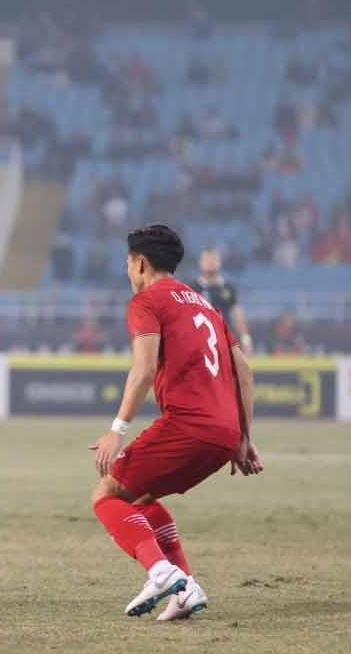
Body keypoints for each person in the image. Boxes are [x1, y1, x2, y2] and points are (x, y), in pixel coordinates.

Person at [87, 225, 262, 621]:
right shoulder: (204, 304)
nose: (128, 271)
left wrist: (117, 429)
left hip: (189, 426)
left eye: (128, 262)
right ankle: (186, 589)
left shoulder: (148, 301)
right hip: (226, 434)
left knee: (106, 495)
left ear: (141, 263)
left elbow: (144, 369)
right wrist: (245, 440)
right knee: (142, 498)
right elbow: (245, 372)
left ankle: (161, 572)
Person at [192, 249, 253, 355]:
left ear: (219, 262)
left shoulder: (228, 288)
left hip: (224, 340)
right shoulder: (192, 288)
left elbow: (237, 313)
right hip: (199, 342)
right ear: (201, 263)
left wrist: (245, 338)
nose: (210, 263)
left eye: (213, 260)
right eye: (207, 260)